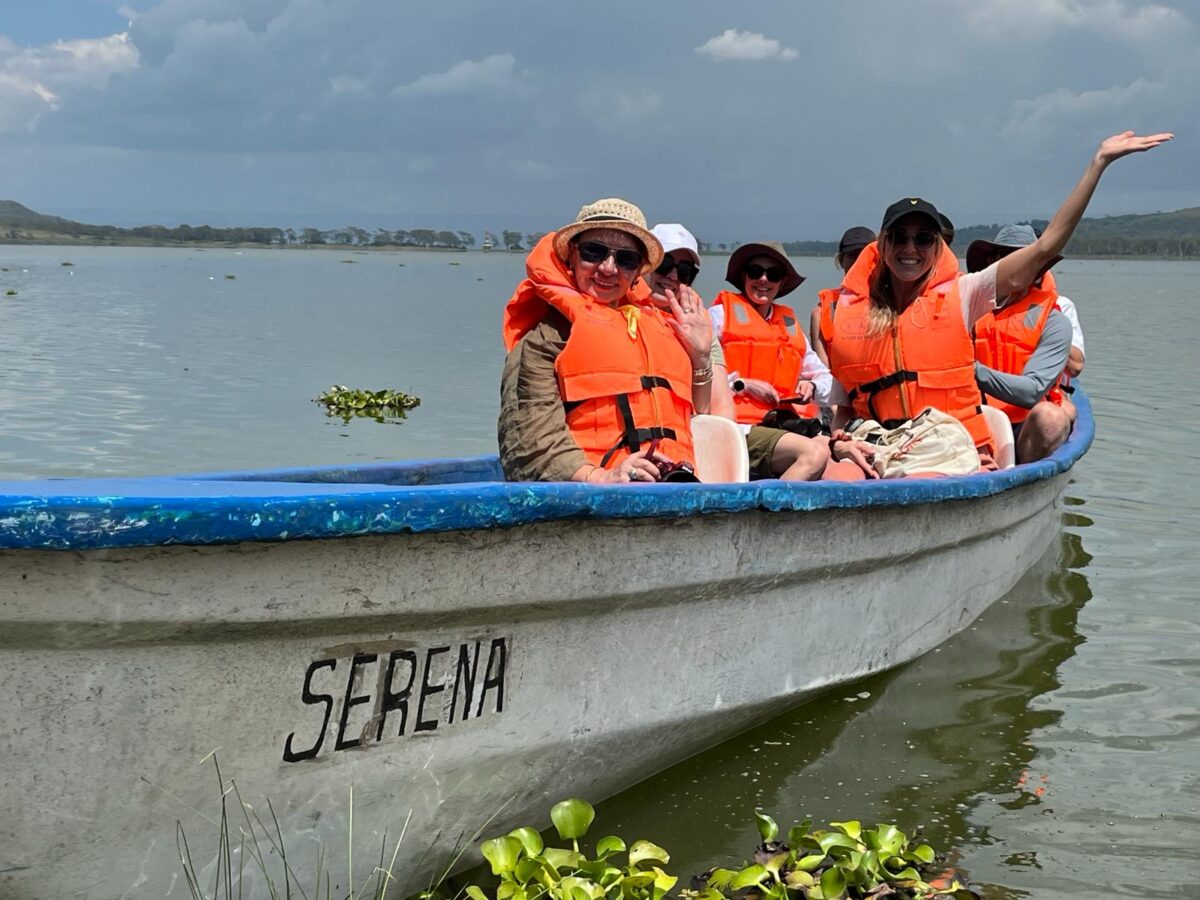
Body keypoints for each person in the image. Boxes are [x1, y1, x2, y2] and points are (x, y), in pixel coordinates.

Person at [821, 130, 1172, 469]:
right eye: (899, 237)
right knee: (831, 471)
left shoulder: (966, 295)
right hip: (873, 449)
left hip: (943, 451)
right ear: (882, 245)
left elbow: (1046, 246)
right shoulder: (854, 317)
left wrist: (1098, 163)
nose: (910, 248)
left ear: (937, 246)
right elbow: (844, 408)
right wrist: (841, 442)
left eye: (924, 238)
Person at [499, 198, 713, 483]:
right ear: (571, 258)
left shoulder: (663, 328)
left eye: (627, 259)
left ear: (639, 272)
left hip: (676, 488)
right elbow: (530, 446)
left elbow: (703, 414)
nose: (609, 268)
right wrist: (602, 477)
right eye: (594, 252)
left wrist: (700, 356)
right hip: (592, 500)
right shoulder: (544, 342)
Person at [708, 242, 836, 480]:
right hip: (740, 429)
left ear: (782, 282)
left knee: (835, 449)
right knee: (814, 454)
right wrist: (742, 385)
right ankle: (769, 513)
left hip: (782, 426)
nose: (764, 280)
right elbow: (696, 376)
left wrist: (812, 386)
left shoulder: (789, 324)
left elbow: (827, 380)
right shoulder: (718, 316)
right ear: (744, 276)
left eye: (773, 274)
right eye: (756, 272)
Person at [967, 224, 1073, 462]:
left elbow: (1032, 391)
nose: (1016, 265)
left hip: (1023, 426)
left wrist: (971, 370)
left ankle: (1019, 477)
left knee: (1051, 418)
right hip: (971, 417)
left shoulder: (1054, 322)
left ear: (1038, 269)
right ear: (992, 262)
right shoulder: (966, 306)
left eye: (1026, 259)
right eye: (1006, 257)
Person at [642, 224, 735, 420]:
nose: (673, 276)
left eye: (684, 271)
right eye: (664, 264)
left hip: (685, 433)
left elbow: (722, 411)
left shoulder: (700, 325)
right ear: (643, 263)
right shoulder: (617, 312)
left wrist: (700, 357)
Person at [812, 226, 875, 367]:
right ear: (841, 261)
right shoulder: (822, 313)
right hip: (843, 387)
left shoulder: (897, 303)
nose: (859, 261)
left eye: (865, 255)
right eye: (853, 256)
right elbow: (824, 372)